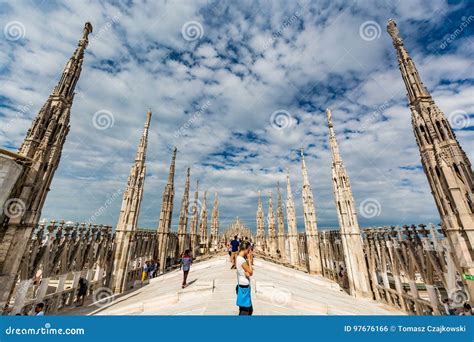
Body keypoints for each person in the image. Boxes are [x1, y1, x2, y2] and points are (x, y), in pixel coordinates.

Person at [236, 240, 253, 315]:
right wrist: (249, 260)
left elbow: (248, 273)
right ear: (246, 249)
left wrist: (247, 273)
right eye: (249, 249)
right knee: (245, 311)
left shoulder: (239, 258)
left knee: (246, 309)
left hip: (242, 285)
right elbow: (251, 272)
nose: (249, 251)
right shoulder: (241, 260)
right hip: (244, 286)